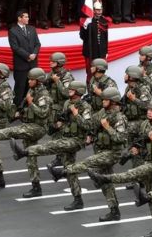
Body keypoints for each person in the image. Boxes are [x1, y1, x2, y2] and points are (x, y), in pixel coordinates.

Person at [87, 100, 152, 237]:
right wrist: (137, 150)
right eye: (148, 109)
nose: (149, 112)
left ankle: (104, 178)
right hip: (148, 161)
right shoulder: (145, 124)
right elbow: (141, 142)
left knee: (133, 173)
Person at [49, 87, 127, 221]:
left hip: (112, 152)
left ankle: (62, 172)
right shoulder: (103, 112)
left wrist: (108, 127)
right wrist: (89, 131)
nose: (102, 101)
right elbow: (90, 124)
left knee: (87, 162)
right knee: (105, 182)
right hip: (101, 149)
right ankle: (114, 211)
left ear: (113, 102)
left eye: (105, 100)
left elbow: (121, 139)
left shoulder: (119, 118)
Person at [10, 81, 91, 209]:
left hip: (76, 140)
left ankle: (24, 152)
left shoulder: (85, 107)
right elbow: (64, 122)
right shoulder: (66, 103)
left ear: (79, 92)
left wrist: (76, 114)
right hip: (66, 137)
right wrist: (59, 124)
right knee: (70, 169)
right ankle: (78, 200)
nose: (69, 90)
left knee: (51, 146)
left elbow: (87, 126)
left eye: (72, 89)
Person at [0, 68, 51, 192]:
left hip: (37, 128)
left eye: (31, 79)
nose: (29, 81)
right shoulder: (32, 90)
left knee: (11, 131)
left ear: (39, 81)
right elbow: (23, 106)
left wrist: (31, 103)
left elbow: (43, 113)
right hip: (29, 125)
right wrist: (20, 111)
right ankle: (36, 187)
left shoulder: (43, 95)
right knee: (31, 158)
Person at [8, 10, 41, 108]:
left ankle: (29, 108)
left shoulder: (32, 29)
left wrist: (34, 54)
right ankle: (17, 108)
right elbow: (15, 47)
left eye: (28, 17)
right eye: (25, 17)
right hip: (21, 65)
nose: (28, 18)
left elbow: (37, 44)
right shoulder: (13, 31)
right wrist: (28, 56)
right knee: (20, 88)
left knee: (32, 88)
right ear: (19, 18)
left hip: (33, 65)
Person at [80, 0, 109, 84]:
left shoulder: (104, 21)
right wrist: (86, 27)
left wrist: (106, 51)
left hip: (101, 52)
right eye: (97, 10)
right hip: (90, 52)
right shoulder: (86, 21)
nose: (99, 12)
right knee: (90, 74)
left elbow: (106, 37)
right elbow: (82, 36)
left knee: (101, 73)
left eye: (100, 10)